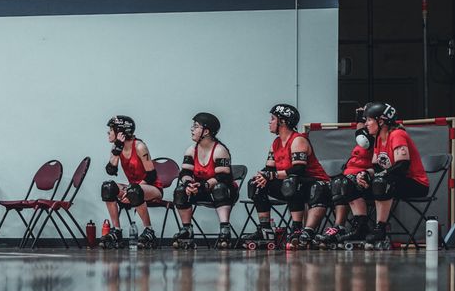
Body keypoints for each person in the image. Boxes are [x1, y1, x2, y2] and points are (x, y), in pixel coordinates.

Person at [245, 104, 331, 248]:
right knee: (256, 184)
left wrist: (271, 175)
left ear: (283, 122)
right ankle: (266, 229)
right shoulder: (276, 142)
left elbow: (298, 169)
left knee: (290, 182)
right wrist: (262, 176)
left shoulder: (298, 140)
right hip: (293, 183)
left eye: (272, 119)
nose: (269, 122)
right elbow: (269, 168)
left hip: (315, 183)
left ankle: (297, 228)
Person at [360, 102, 429, 246]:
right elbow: (377, 167)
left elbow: (402, 166)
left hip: (416, 183)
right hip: (396, 181)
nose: (366, 124)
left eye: (369, 120)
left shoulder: (397, 134)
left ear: (381, 121)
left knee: (380, 182)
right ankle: (360, 227)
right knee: (358, 184)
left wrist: (379, 175)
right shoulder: (379, 138)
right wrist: (366, 174)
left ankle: (380, 227)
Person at [172, 112, 237, 248]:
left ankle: (225, 229)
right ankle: (186, 229)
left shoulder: (219, 150)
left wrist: (204, 185)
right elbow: (185, 172)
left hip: (225, 190)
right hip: (201, 188)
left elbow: (223, 178)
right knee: (180, 190)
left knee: (219, 188)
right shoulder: (191, 150)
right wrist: (189, 184)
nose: (192, 129)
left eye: (196, 126)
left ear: (206, 131)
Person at [314, 105, 376, 247]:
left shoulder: (374, 137)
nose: (366, 123)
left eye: (369, 120)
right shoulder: (367, 137)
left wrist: (360, 116)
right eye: (365, 120)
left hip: (363, 179)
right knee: (324, 186)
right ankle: (311, 230)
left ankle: (340, 226)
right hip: (349, 178)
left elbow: (362, 138)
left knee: (341, 183)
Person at [99, 115, 161, 248]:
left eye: (111, 130)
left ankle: (149, 230)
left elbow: (151, 175)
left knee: (134, 190)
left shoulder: (139, 146)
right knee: (108, 187)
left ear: (120, 132)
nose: (108, 133)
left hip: (152, 187)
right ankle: (117, 231)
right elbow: (111, 170)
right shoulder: (117, 147)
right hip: (134, 188)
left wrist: (130, 191)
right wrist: (117, 150)